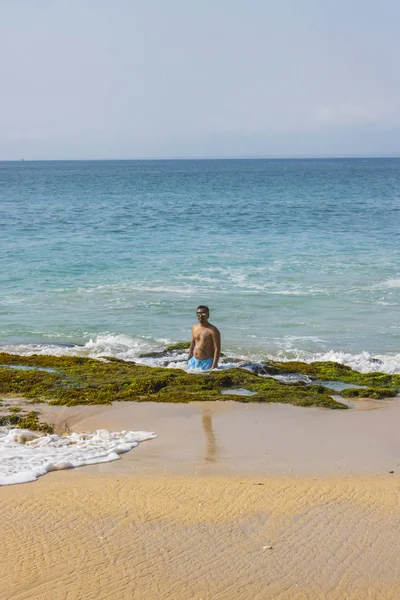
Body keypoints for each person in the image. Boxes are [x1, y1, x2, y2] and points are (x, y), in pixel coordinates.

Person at [188, 305, 221, 370]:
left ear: (208, 315)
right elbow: (193, 343)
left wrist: (214, 367)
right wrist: (189, 358)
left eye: (203, 313)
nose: (201, 316)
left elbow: (217, 348)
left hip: (207, 362)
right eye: (198, 314)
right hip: (193, 361)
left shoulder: (213, 330)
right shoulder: (194, 327)